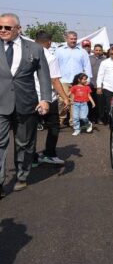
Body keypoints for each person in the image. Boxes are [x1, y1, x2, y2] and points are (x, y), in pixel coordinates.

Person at [0, 13, 51, 195]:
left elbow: (44, 76)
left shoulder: (35, 48)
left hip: (26, 103)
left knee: (24, 142)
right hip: (1, 104)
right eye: (0, 27)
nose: (3, 30)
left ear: (18, 29)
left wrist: (45, 99)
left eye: (7, 27)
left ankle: (22, 175)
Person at [33, 31, 69, 166]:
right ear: (49, 42)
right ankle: (49, 154)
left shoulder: (26, 53)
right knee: (54, 126)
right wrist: (65, 98)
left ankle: (31, 158)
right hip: (47, 97)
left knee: (30, 129)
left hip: (29, 97)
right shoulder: (50, 56)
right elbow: (54, 80)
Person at [55, 31, 92, 128]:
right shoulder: (59, 50)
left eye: (75, 39)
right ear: (66, 39)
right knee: (62, 101)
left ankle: (73, 122)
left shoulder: (82, 51)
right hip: (63, 80)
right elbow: (55, 65)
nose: (73, 40)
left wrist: (87, 80)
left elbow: (87, 66)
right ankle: (60, 121)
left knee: (75, 102)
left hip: (77, 82)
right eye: (71, 39)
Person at [84, 41, 105, 123]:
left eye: (100, 50)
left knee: (100, 103)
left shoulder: (105, 60)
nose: (98, 52)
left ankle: (99, 118)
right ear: (94, 50)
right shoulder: (88, 59)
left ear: (102, 51)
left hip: (100, 85)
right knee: (89, 102)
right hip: (90, 84)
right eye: (96, 50)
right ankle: (90, 118)